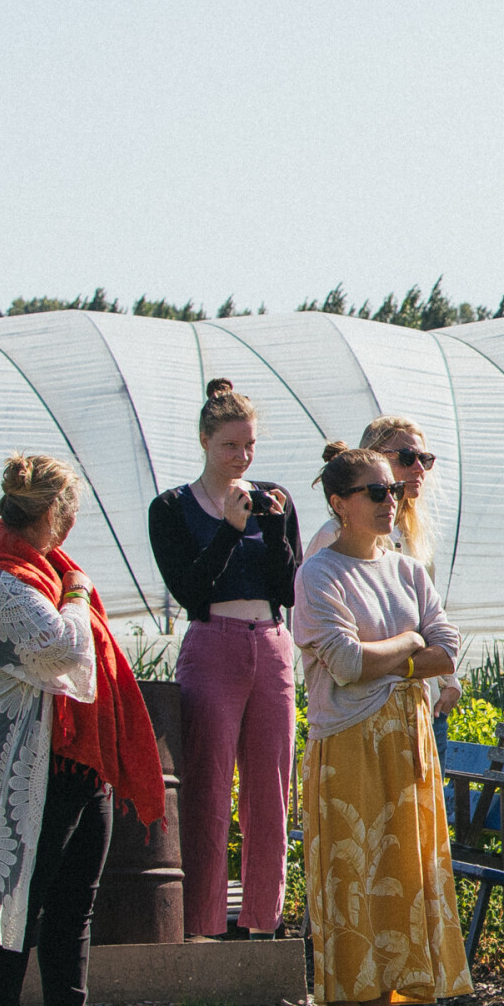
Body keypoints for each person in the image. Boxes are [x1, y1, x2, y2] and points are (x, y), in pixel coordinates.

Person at [0, 454, 164, 1006]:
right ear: (51, 513)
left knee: (76, 901)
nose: (71, 527)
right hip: (34, 762)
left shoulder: (44, 572)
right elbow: (60, 651)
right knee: (20, 895)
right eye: (69, 514)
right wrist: (78, 596)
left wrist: (70, 591)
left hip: (81, 758)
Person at [294, 442, 471, 1006]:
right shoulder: (319, 573)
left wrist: (390, 657)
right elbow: (343, 664)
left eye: (391, 492)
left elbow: (448, 649)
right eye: (374, 493)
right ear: (340, 504)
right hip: (348, 745)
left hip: (407, 738)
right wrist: (408, 646)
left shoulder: (406, 571)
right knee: (351, 885)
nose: (388, 502)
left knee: (401, 878)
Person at [147, 378, 301, 940]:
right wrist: (232, 532)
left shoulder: (272, 498)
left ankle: (263, 924)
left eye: (250, 446)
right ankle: (204, 927)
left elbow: (289, 587)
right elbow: (190, 589)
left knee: (270, 790)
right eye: (230, 446)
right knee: (208, 789)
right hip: (213, 641)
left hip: (271, 641)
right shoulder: (171, 508)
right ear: (205, 441)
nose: (242, 458)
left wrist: (274, 528)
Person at [305, 414, 461, 742]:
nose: (418, 467)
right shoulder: (334, 542)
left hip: (422, 707)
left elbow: (437, 630)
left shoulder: (411, 538)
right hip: (359, 718)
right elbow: (342, 659)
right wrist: (412, 646)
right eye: (407, 458)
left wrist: (448, 682)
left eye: (425, 459)